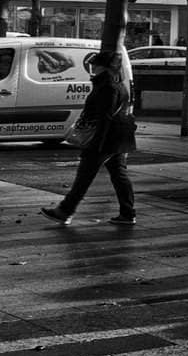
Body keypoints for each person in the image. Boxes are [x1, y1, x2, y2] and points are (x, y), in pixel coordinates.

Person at [41, 50, 139, 226]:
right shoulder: (115, 84)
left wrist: (96, 143)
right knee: (119, 175)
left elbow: (105, 117)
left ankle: (65, 211)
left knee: (84, 176)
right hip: (117, 138)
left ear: (103, 67)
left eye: (96, 64)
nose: (93, 66)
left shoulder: (107, 87)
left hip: (106, 139)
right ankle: (128, 213)